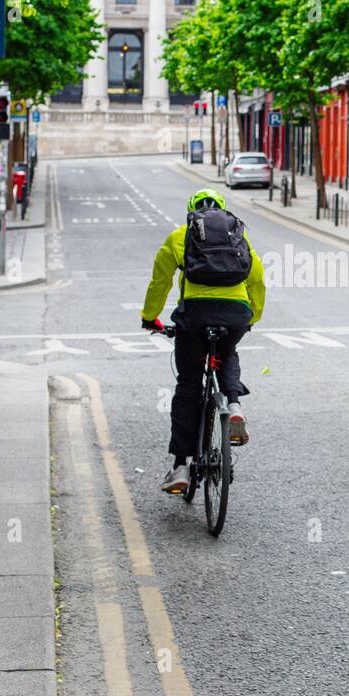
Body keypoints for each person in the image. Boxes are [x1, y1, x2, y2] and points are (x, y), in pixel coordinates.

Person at [141, 188, 266, 494]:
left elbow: (161, 281)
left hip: (195, 318)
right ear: (223, 213)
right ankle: (234, 405)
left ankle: (181, 466)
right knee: (227, 352)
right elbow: (258, 278)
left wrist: (150, 316)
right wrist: (252, 317)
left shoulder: (179, 237)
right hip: (235, 314)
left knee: (188, 387)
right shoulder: (239, 237)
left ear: (191, 212)